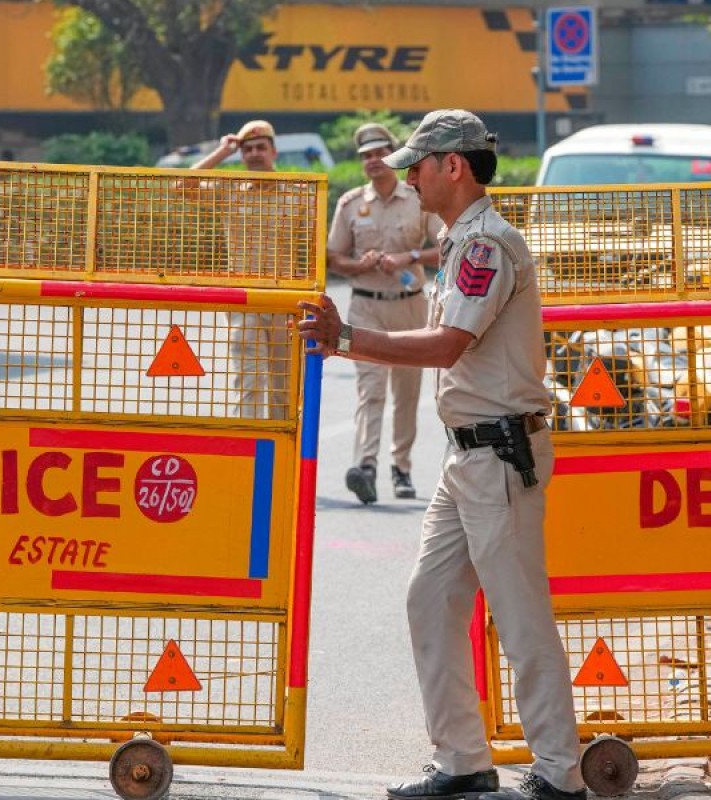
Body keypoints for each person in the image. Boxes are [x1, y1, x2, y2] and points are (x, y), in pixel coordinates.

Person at [297, 109, 585, 800]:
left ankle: (559, 774)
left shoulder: (486, 245)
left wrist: (347, 339)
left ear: (452, 166)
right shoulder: (462, 241)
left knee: (519, 619)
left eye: (416, 166)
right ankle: (463, 760)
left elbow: (446, 346)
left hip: (497, 456)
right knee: (430, 600)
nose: (408, 177)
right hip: (471, 459)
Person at [327, 123, 442, 504]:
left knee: (406, 392)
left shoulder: (418, 199)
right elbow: (333, 257)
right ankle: (366, 466)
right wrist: (358, 266)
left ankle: (401, 467)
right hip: (364, 305)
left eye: (379, 153)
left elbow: (446, 246)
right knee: (370, 388)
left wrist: (408, 257)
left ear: (393, 156)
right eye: (365, 156)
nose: (372, 161)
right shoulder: (349, 204)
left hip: (410, 304)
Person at [191, 120, 299, 420]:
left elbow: (310, 251)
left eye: (260, 147)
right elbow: (181, 185)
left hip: (286, 301)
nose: (254, 154)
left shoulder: (299, 193)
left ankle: (281, 454)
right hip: (244, 300)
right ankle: (250, 452)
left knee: (284, 387)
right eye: (247, 149)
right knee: (249, 381)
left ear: (274, 152)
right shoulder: (229, 191)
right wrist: (221, 152)